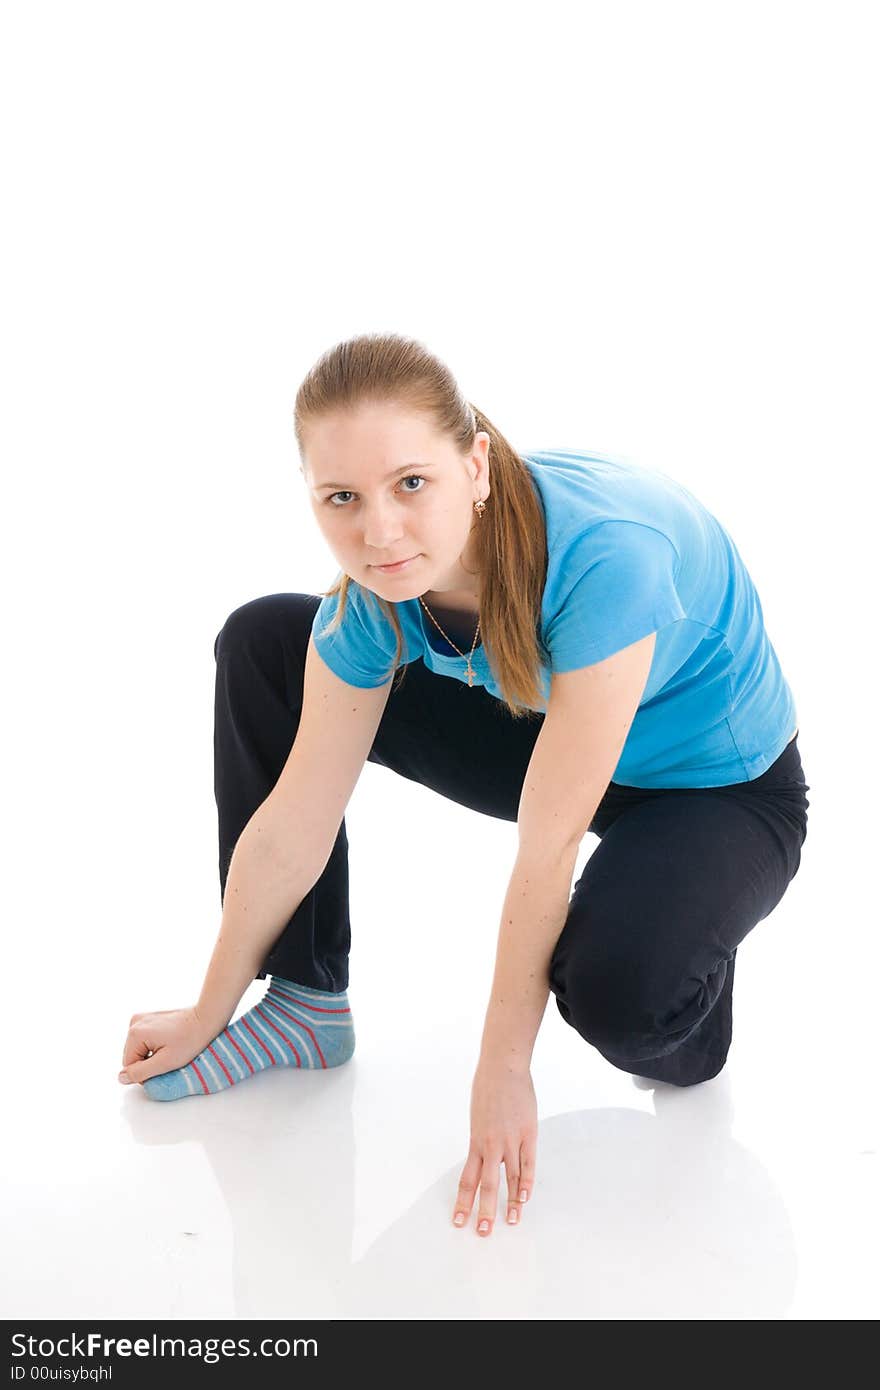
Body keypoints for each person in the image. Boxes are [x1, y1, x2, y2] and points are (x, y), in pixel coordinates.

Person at [119, 331, 810, 1239]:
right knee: (267, 640)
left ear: (475, 465)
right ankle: (305, 1003)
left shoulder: (608, 555)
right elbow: (294, 821)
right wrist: (211, 1007)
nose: (380, 531)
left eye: (411, 484)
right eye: (342, 498)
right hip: (547, 734)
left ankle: (684, 944)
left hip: (713, 790)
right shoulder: (370, 608)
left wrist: (502, 1069)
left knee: (623, 997)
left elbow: (547, 841)